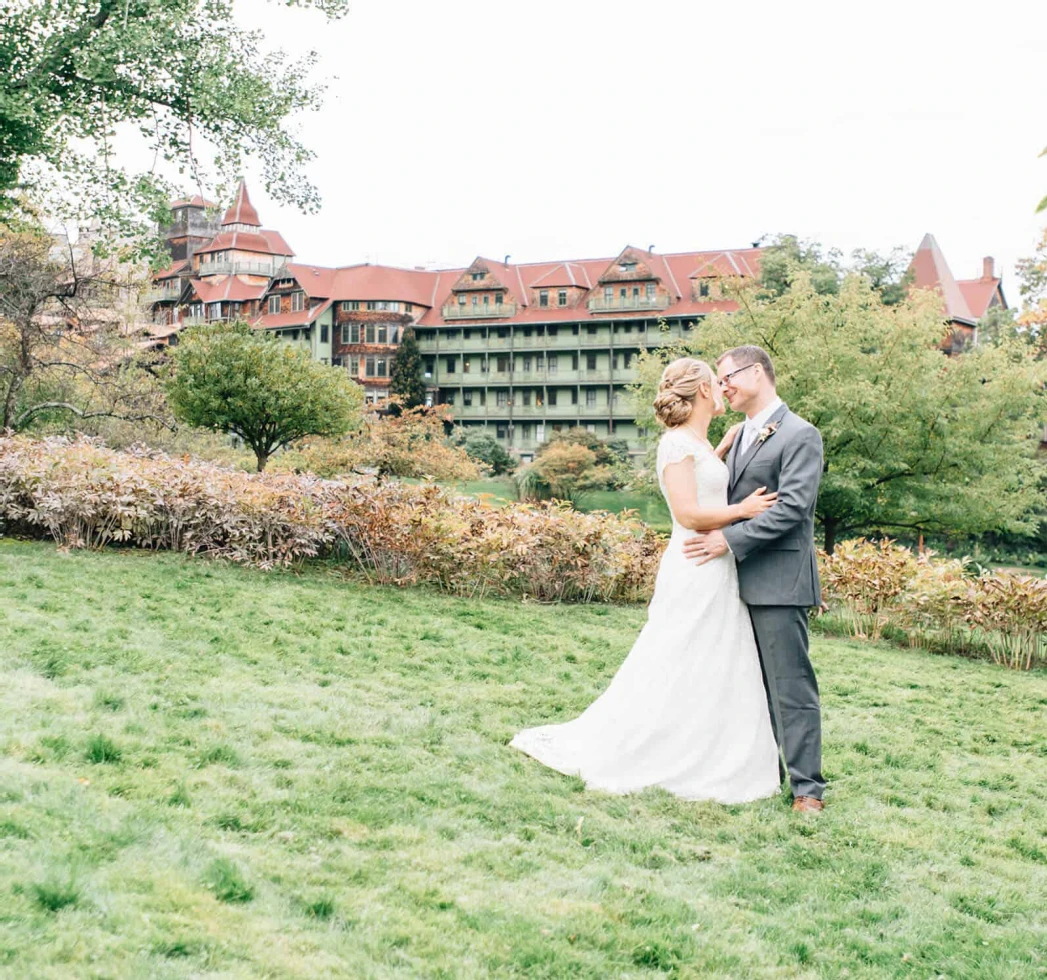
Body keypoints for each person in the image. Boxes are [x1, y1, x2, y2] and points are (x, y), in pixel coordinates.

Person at [510, 358, 780, 804]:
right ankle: (659, 744)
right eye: (717, 383)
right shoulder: (675, 444)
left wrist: (722, 451)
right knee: (679, 653)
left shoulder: (697, 442)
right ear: (703, 394)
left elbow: (701, 484)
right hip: (695, 564)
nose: (723, 388)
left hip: (715, 568)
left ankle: (708, 745)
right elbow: (688, 514)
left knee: (712, 656)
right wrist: (742, 510)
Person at [683, 345, 825, 812]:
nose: (722, 388)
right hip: (729, 583)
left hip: (778, 581)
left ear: (758, 372)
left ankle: (808, 789)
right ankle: (760, 772)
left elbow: (793, 507)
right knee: (745, 684)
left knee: (789, 686)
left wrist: (728, 539)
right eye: (719, 381)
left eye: (727, 378)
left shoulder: (801, 434)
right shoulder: (738, 433)